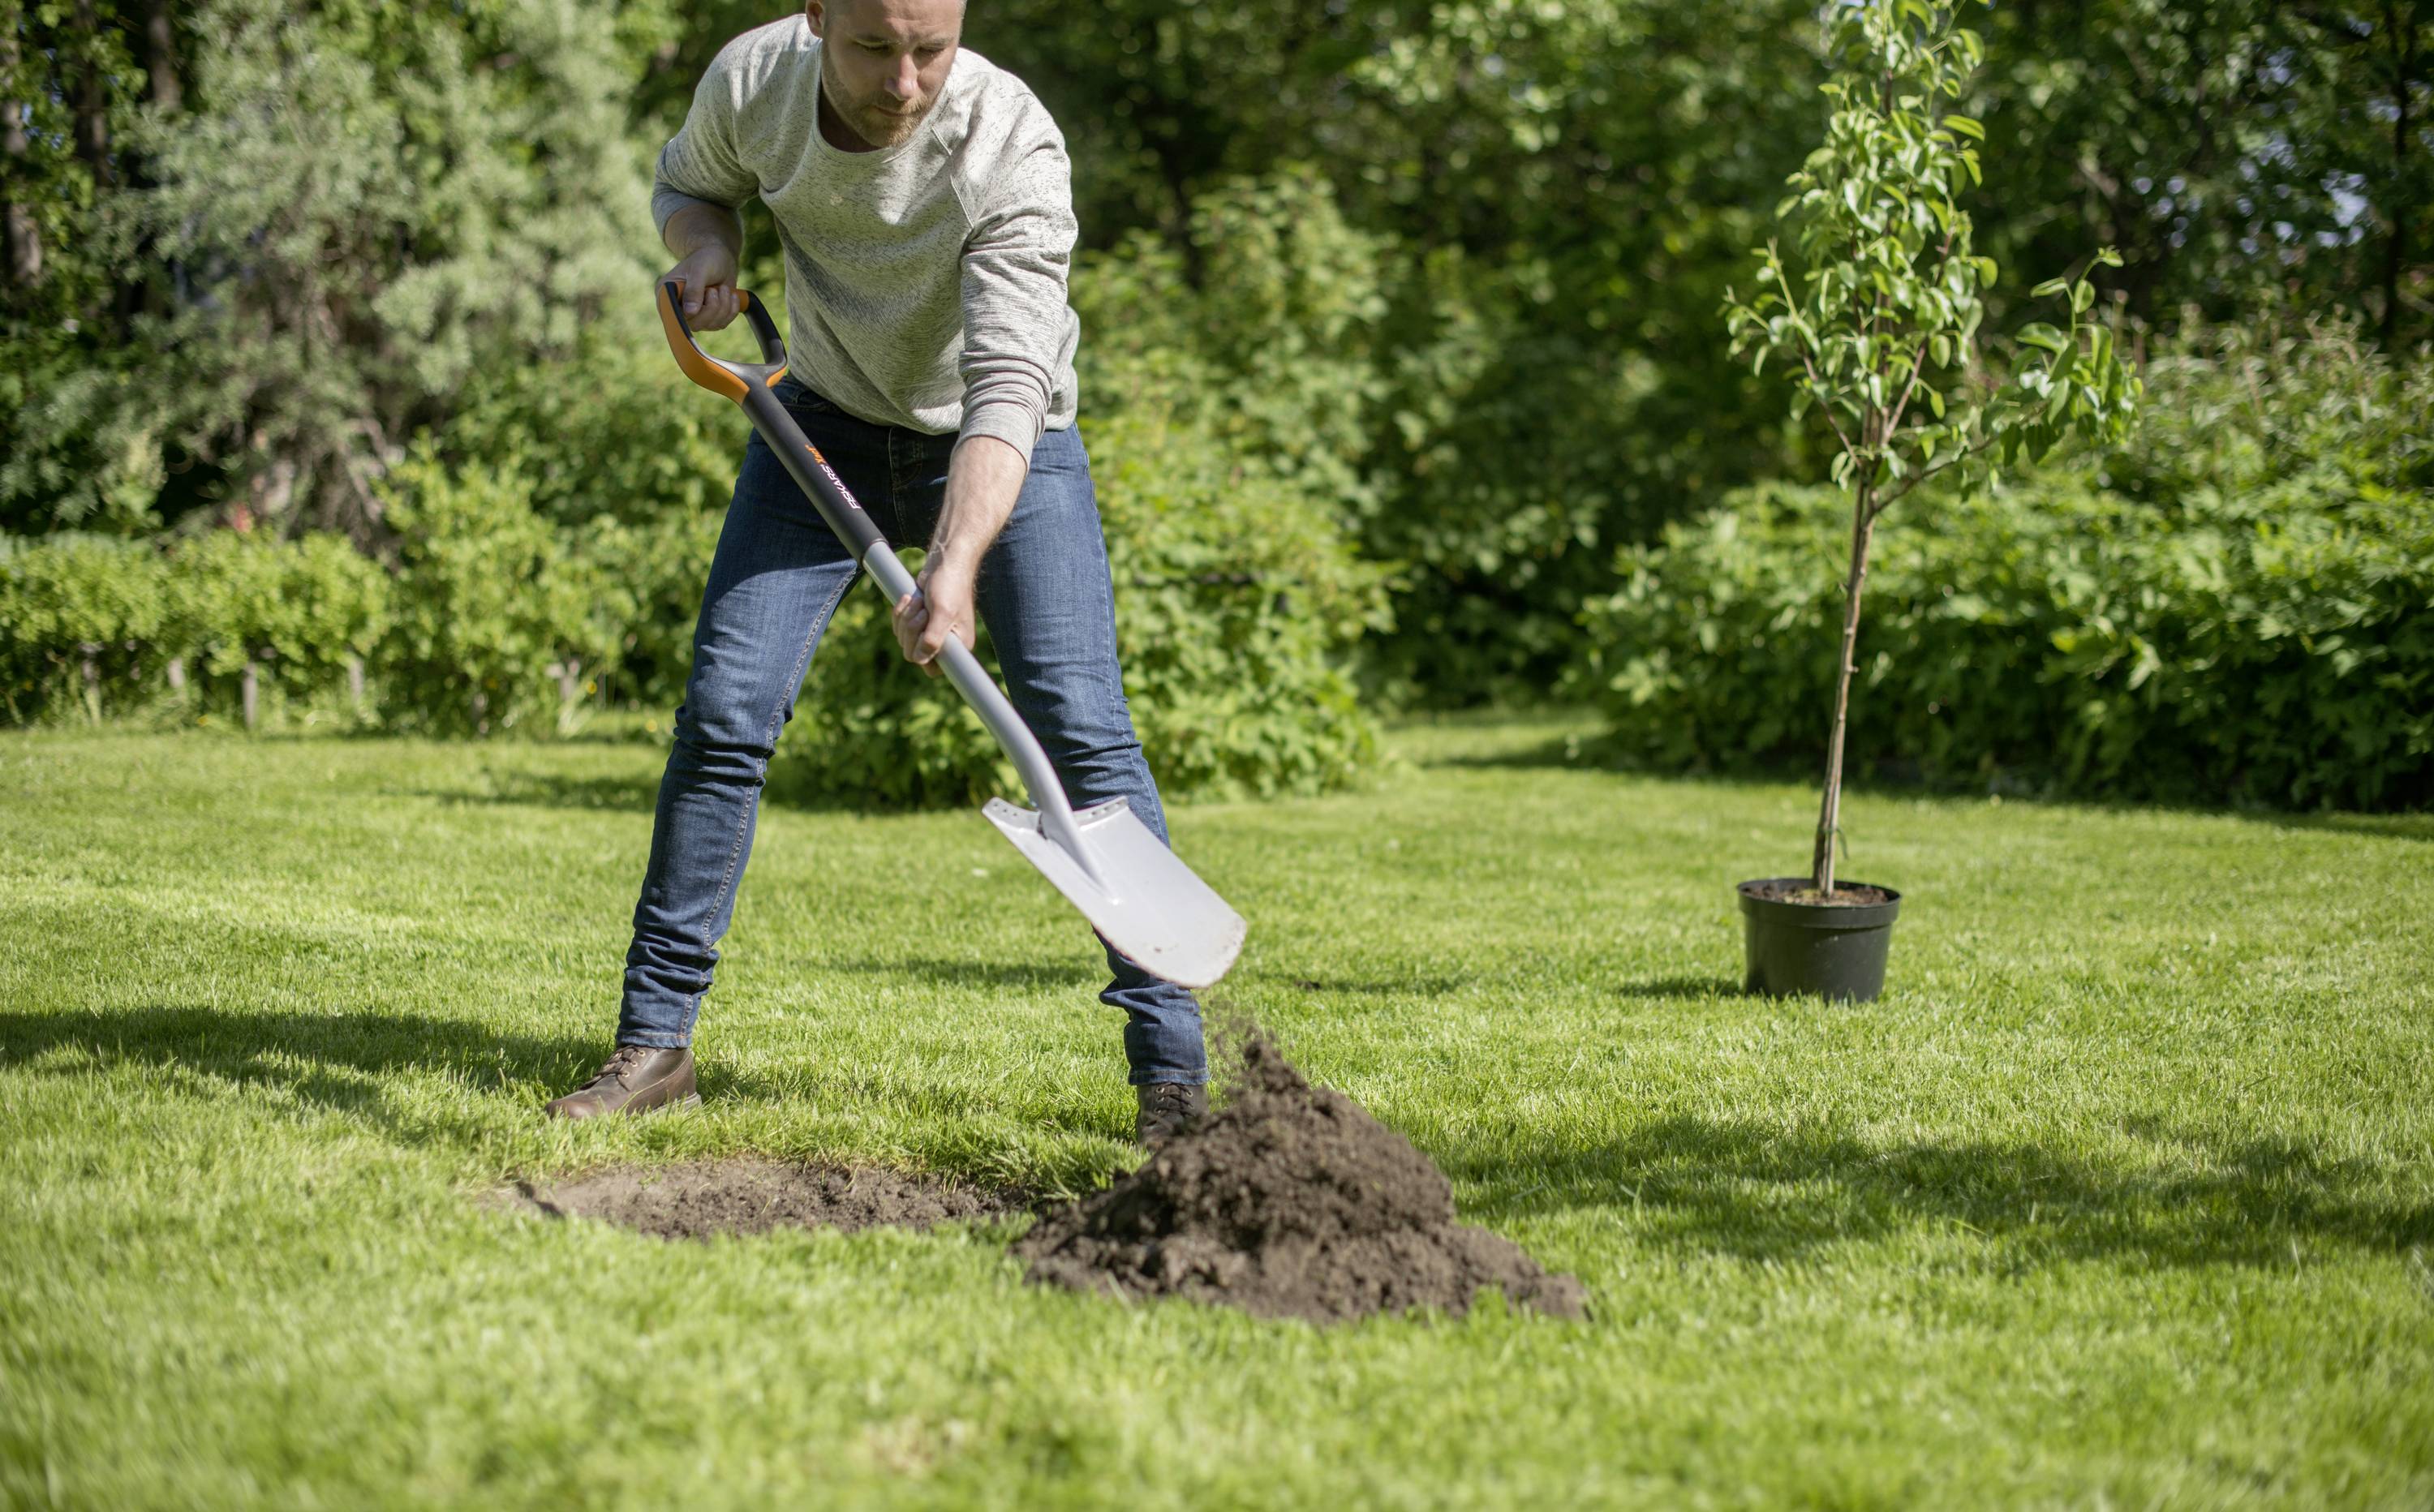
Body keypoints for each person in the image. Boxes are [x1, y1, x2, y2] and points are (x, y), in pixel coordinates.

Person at [543, 0, 1209, 1143]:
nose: (904, 81)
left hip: (1010, 445)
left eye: (930, 49)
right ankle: (654, 1048)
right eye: (873, 47)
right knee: (724, 715)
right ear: (816, 17)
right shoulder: (755, 81)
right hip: (825, 424)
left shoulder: (1012, 144)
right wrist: (709, 248)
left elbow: (1008, 387)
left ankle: (1173, 1086)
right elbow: (689, 185)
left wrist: (953, 563)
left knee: (1079, 732)